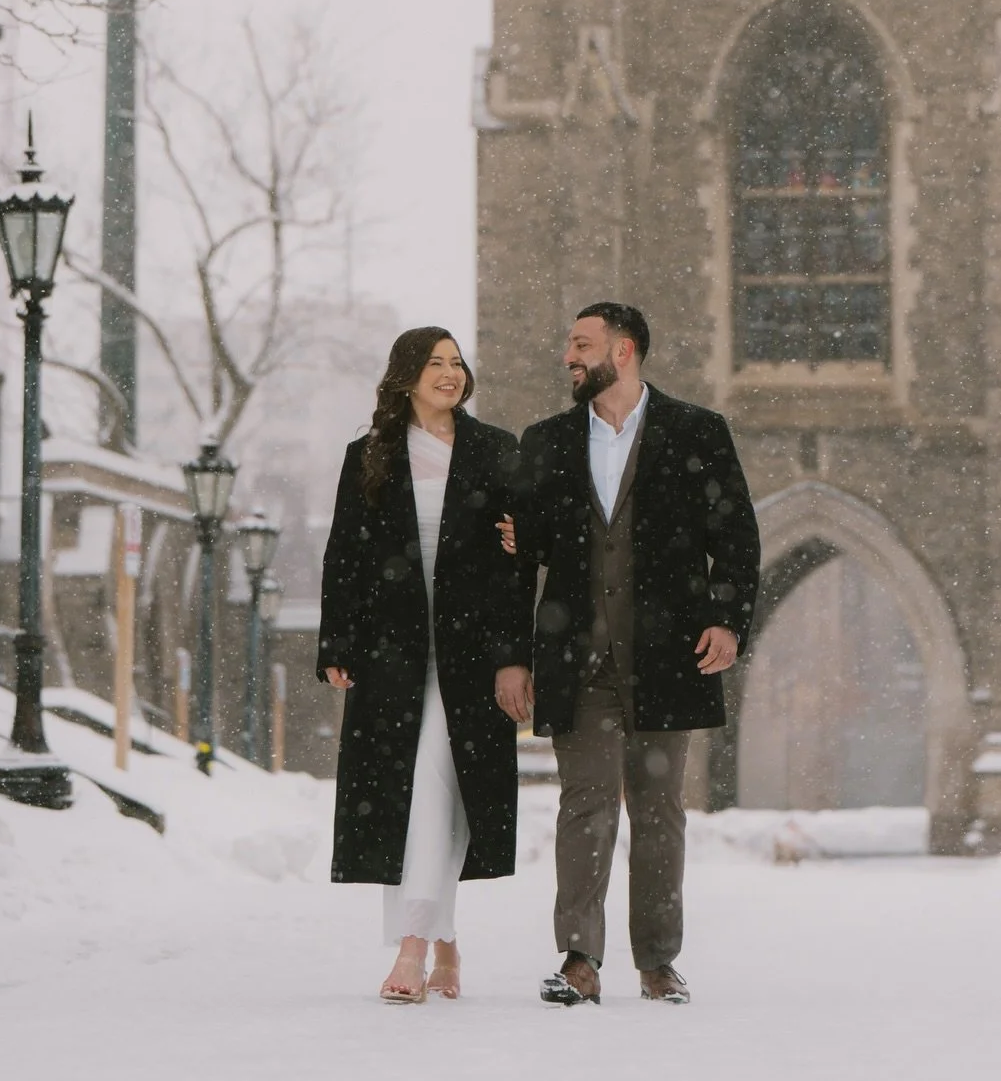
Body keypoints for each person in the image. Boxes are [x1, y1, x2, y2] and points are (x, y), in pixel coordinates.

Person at [499, 303, 761, 1007]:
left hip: (669, 656)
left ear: (625, 350)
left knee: (659, 808)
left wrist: (728, 621)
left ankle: (657, 959)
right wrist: (511, 657)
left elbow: (734, 533)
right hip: (577, 656)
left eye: (581, 344)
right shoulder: (546, 441)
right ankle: (580, 957)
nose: (569, 357)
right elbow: (521, 558)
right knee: (584, 802)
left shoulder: (696, 432)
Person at [318, 327, 528, 1003]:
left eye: (457, 362)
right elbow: (344, 551)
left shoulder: (496, 451)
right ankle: (442, 944)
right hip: (394, 653)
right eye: (434, 362)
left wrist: (512, 654)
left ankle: (411, 947)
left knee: (436, 777)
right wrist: (337, 642)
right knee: (413, 789)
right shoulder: (371, 454)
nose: (449, 373)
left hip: (470, 654)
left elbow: (515, 567)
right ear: (406, 375)